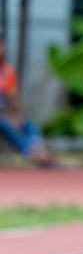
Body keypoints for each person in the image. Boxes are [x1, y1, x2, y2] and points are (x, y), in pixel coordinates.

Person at [0, 36, 50, 164]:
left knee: (29, 124)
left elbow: (13, 98)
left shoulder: (7, 71)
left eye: (2, 46)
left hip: (6, 113)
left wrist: (17, 116)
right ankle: (30, 151)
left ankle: (38, 150)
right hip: (2, 116)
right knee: (5, 124)